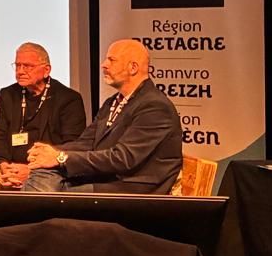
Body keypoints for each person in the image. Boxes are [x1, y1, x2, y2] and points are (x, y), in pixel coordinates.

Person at [24, 38, 182, 192]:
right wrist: (48, 152)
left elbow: (123, 159)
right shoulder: (112, 102)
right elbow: (87, 143)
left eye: (111, 60)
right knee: (42, 173)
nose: (104, 65)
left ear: (133, 67)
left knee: (49, 187)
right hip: (107, 178)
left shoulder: (154, 106)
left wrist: (60, 157)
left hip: (132, 188)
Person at [0, 42, 87, 190]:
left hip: (47, 171)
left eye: (27, 66)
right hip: (9, 168)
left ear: (46, 70)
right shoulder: (8, 95)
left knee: (41, 182)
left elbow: (72, 146)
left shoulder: (68, 99)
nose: (20, 71)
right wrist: (4, 165)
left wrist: (32, 170)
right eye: (17, 65)